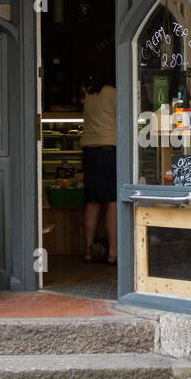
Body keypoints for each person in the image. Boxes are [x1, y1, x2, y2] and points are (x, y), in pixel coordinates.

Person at [81, 61, 117, 264]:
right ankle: (113, 253)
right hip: (107, 149)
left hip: (89, 149)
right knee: (112, 201)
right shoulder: (112, 92)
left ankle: (88, 249)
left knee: (93, 201)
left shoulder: (88, 93)